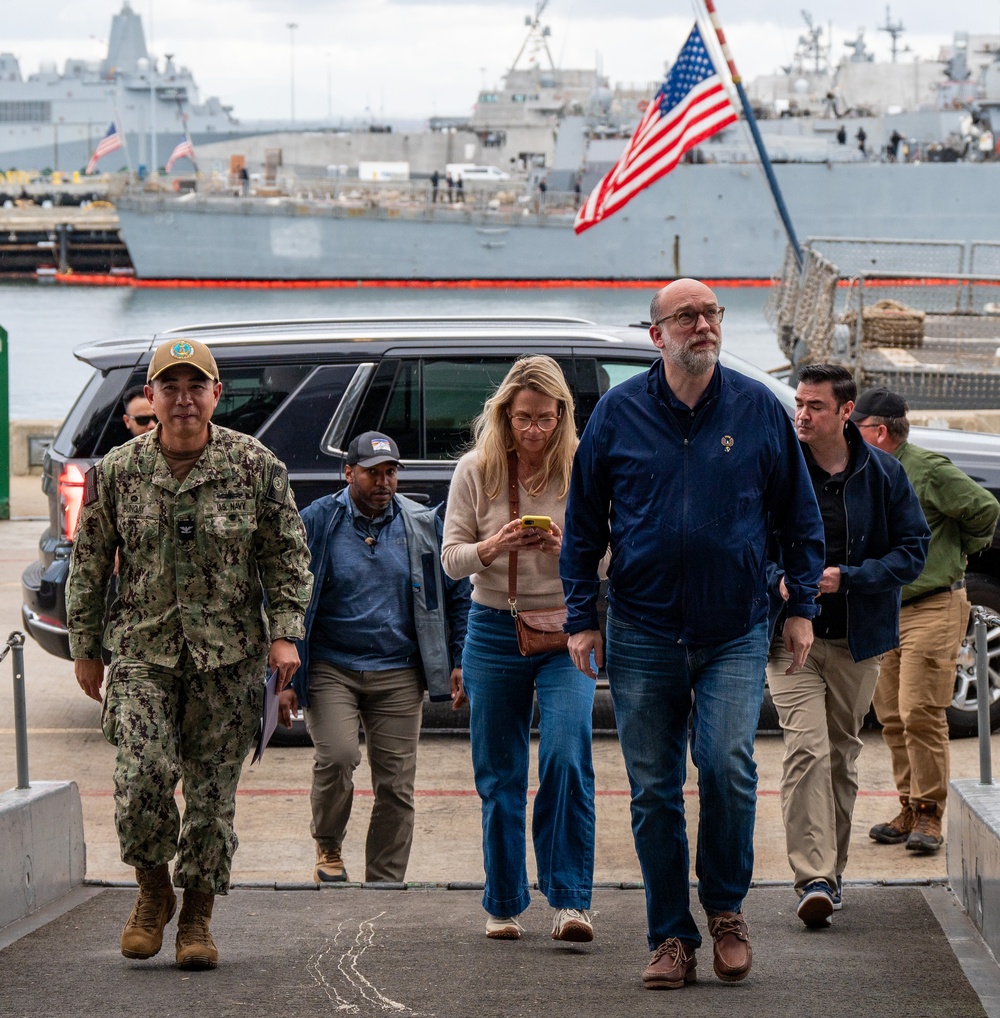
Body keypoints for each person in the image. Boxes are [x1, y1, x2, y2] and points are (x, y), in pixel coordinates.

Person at [560, 278, 825, 990]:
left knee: (728, 767)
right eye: (687, 316)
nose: (704, 325)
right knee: (654, 790)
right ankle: (671, 937)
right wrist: (581, 616)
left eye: (712, 313)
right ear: (657, 335)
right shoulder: (617, 414)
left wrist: (801, 605)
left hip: (735, 626)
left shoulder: (758, 408)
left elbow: (799, 518)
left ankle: (727, 912)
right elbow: (582, 527)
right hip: (642, 628)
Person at [66, 337, 312, 971]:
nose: (183, 399)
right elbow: (88, 564)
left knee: (210, 799)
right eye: (169, 388)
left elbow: (286, 556)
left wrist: (285, 632)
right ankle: (153, 892)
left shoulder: (255, 466)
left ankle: (198, 915)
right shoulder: (118, 471)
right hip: (142, 652)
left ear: (216, 395)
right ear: (149, 396)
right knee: (140, 778)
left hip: (227, 658)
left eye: (195, 387)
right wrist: (85, 648)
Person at [442, 355, 598, 945]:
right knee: (500, 773)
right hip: (492, 627)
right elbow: (450, 560)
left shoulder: (583, 465)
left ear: (563, 415)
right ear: (504, 413)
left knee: (566, 756)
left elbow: (615, 558)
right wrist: (493, 546)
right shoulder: (476, 468)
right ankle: (504, 901)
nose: (533, 430)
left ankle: (571, 900)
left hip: (567, 629)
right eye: (523, 418)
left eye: (545, 419)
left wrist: (567, 550)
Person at [767, 366, 929, 929]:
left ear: (845, 412)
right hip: (789, 637)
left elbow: (913, 550)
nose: (801, 414)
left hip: (857, 641)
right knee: (806, 750)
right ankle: (812, 876)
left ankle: (830, 878)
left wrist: (850, 577)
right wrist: (777, 580)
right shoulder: (780, 467)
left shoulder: (883, 473)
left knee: (840, 756)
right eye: (798, 403)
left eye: (815, 406)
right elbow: (751, 542)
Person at [279, 431, 470, 885]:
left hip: (399, 671)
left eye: (391, 472)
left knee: (396, 785)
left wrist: (459, 658)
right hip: (332, 667)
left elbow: (458, 592)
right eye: (372, 473)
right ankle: (328, 845)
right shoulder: (318, 520)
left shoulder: (421, 523)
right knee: (338, 757)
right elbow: (285, 590)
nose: (384, 482)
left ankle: (384, 880)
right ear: (348, 473)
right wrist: (284, 678)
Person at [854, 388, 999, 853]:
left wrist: (959, 551)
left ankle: (931, 813)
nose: (850, 433)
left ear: (880, 431)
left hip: (933, 605)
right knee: (891, 716)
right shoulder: (866, 468)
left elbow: (985, 509)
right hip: (887, 609)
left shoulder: (928, 469)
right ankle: (908, 806)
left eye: (857, 426)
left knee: (920, 710)